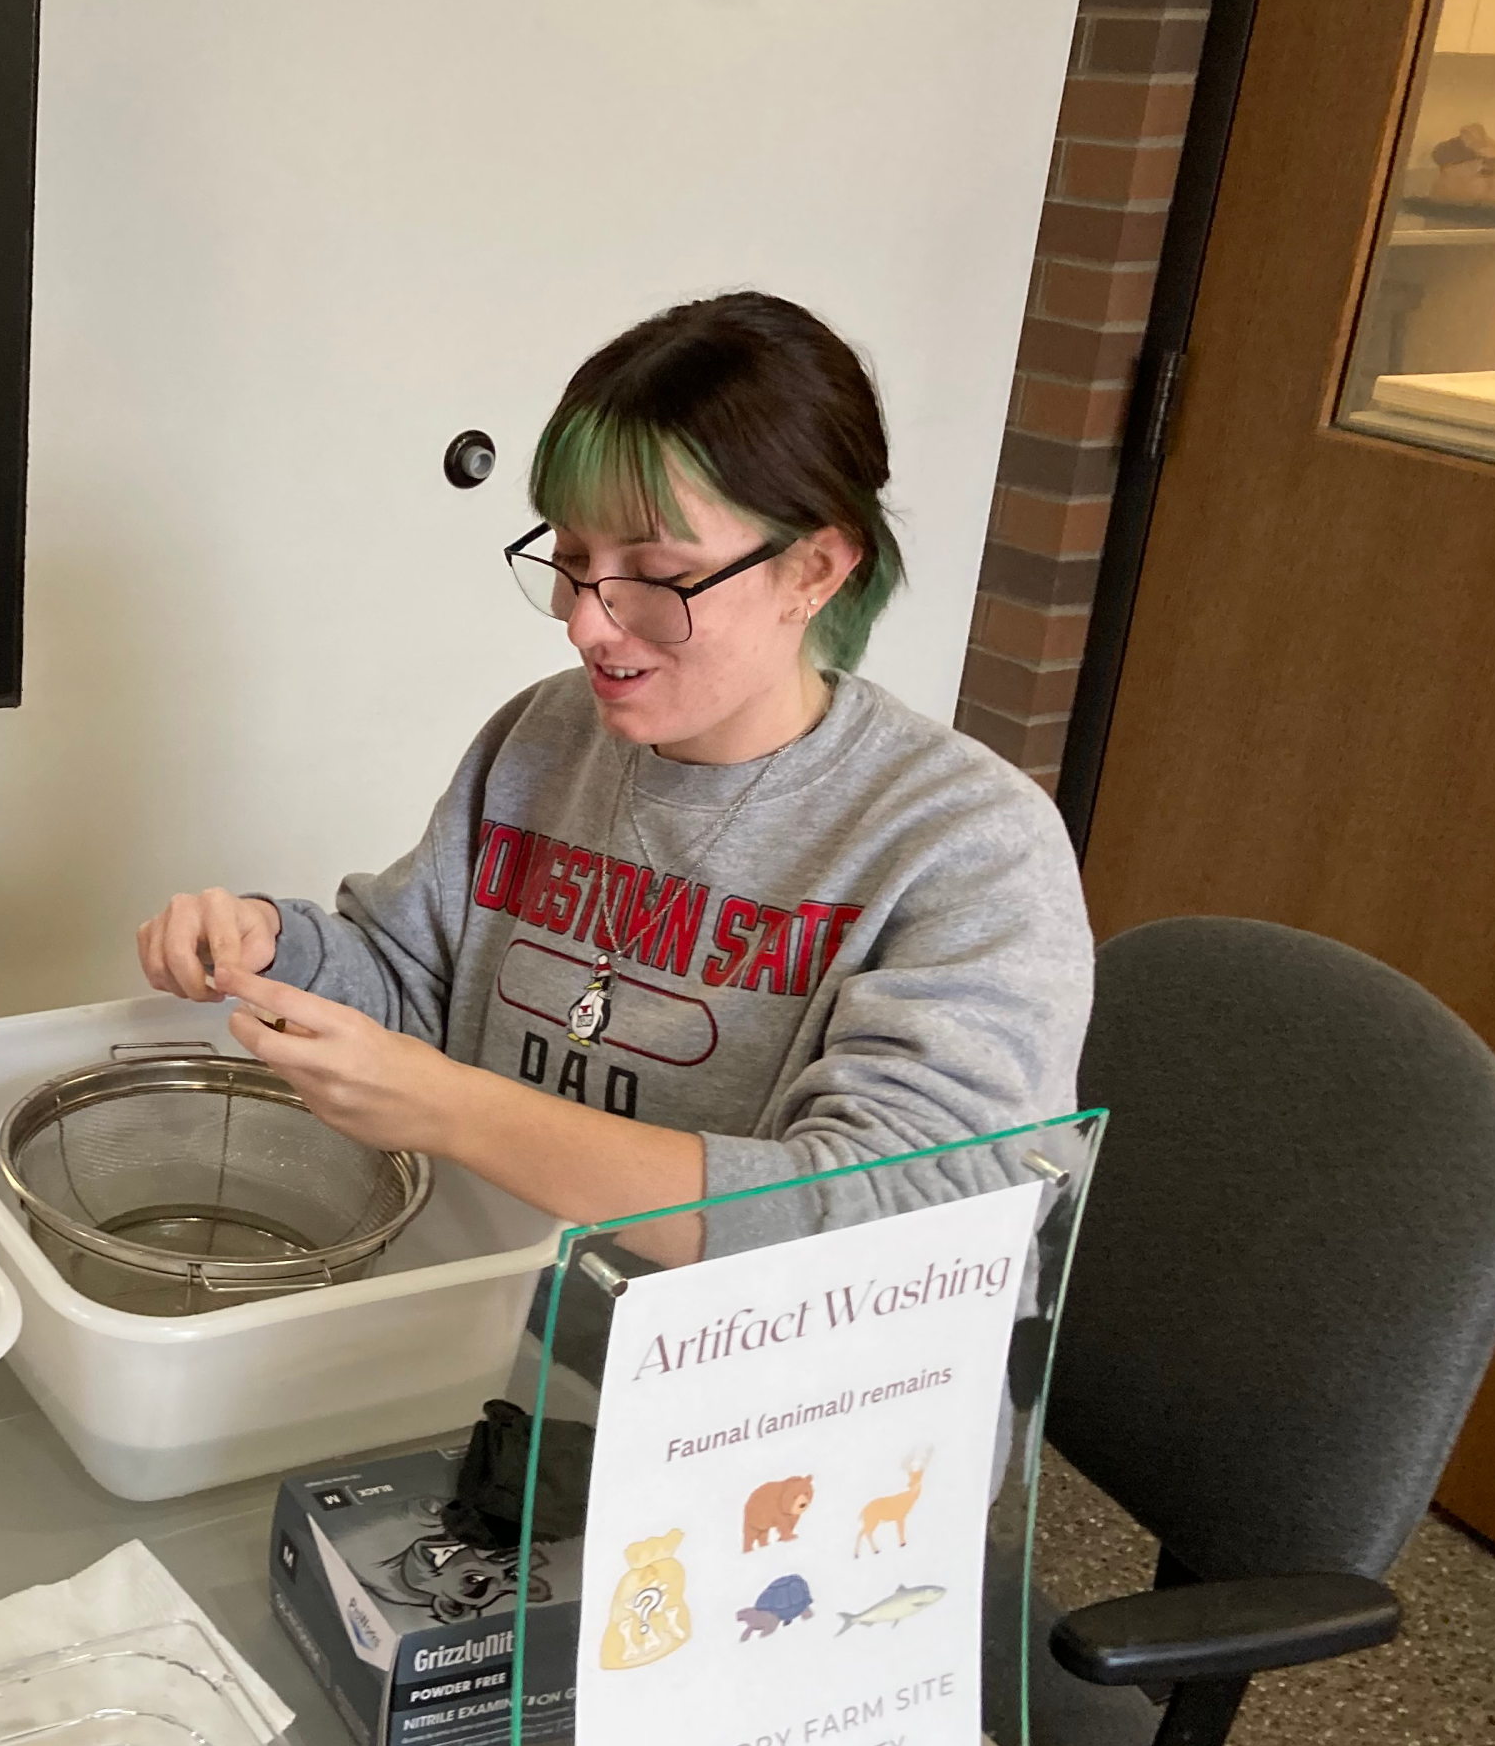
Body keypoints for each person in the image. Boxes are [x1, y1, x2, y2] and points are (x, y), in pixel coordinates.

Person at [136, 292, 1092, 1269]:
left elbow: (902, 1222)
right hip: (493, 1330)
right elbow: (415, 987)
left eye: (657, 574)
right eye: (575, 558)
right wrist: (272, 945)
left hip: (756, 1397)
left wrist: (464, 1113)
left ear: (815, 568)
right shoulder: (546, 734)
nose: (587, 622)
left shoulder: (967, 843)